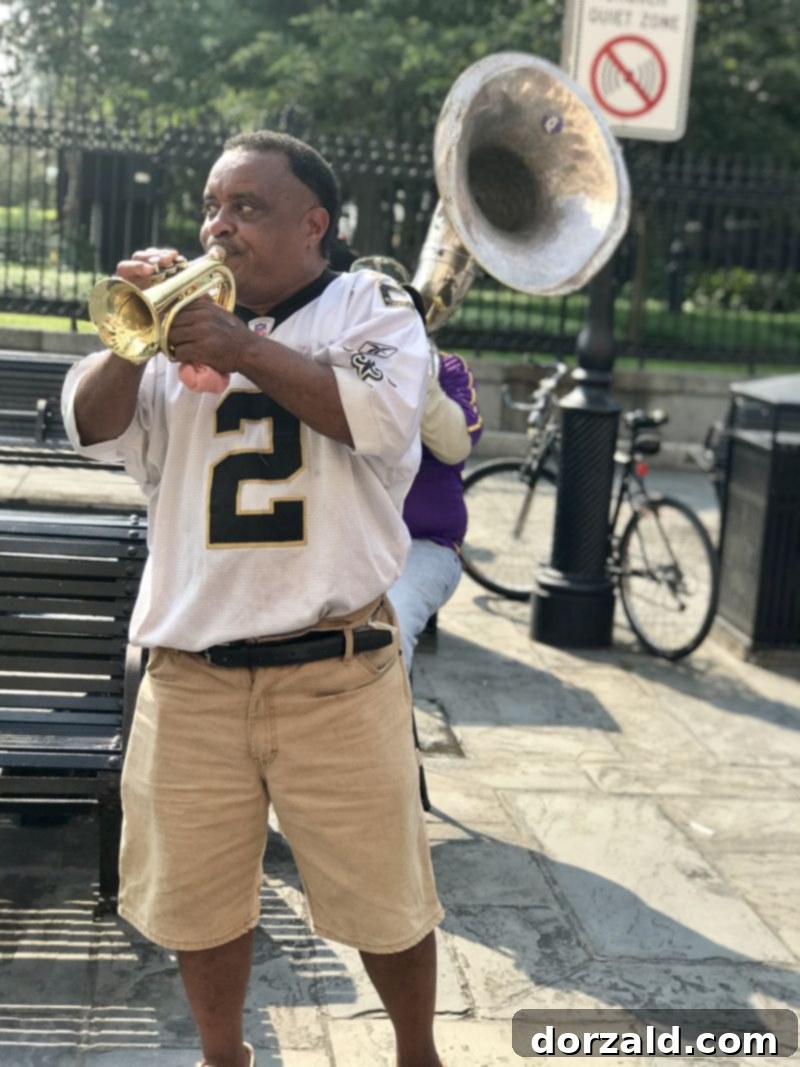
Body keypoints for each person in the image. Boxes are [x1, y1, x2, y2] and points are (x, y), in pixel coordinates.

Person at [61, 131, 444, 1067]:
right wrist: (132, 334)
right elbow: (88, 425)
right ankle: (223, 1053)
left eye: (247, 208)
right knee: (199, 894)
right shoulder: (184, 321)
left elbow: (382, 412)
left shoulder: (370, 306)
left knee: (384, 895)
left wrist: (243, 348)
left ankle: (416, 1051)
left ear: (314, 225)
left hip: (336, 669)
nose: (218, 227)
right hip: (193, 675)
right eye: (212, 206)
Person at [350, 257, 483, 670]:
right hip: (346, 545)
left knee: (391, 630)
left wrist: (418, 374)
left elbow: (454, 446)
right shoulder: (329, 362)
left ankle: (387, 734)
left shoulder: (447, 369)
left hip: (422, 547)